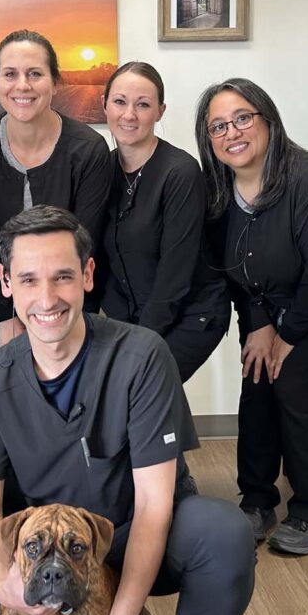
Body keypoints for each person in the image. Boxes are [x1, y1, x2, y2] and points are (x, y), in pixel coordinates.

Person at [0, 206, 255, 615]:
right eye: (29, 279)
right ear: (6, 282)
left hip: (135, 538)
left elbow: (155, 509)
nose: (46, 298)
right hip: (51, 555)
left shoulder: (141, 356)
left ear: (88, 276)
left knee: (223, 534)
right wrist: (6, 583)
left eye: (63, 277)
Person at [197, 78, 308, 554]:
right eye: (218, 126)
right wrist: (259, 323)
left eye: (243, 118)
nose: (233, 132)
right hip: (267, 311)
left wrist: (286, 335)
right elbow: (228, 270)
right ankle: (256, 500)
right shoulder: (218, 191)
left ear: (268, 120)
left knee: (288, 375)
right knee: (256, 375)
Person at [0, 29, 112, 358]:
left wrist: (47, 312)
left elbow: (82, 243)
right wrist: (6, 315)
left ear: (55, 83)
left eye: (35, 74)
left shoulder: (89, 149)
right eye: (10, 74)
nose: (22, 85)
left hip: (68, 304)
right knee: (7, 398)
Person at [100, 62, 229, 382]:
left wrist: (140, 342)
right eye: (119, 102)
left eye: (142, 104)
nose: (129, 114)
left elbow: (176, 272)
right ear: (104, 105)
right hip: (134, 317)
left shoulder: (181, 173)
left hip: (191, 315)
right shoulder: (101, 168)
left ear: (160, 111)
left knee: (138, 390)